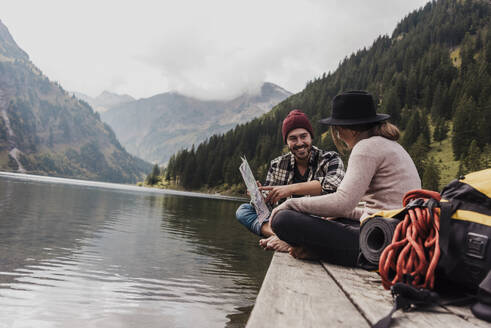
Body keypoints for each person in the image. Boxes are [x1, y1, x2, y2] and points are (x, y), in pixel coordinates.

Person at [269, 90, 421, 266]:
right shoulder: (389, 145)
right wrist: (337, 213)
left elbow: (343, 202)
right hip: (400, 233)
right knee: (334, 218)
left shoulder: (365, 148)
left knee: (283, 219)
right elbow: (374, 209)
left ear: (348, 129)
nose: (338, 135)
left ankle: (319, 251)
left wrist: (291, 204)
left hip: (382, 242)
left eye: (337, 129)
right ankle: (316, 249)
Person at [235, 109, 345, 250]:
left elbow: (334, 184)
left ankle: (290, 238)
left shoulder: (330, 158)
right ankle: (285, 237)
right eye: (293, 138)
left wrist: (289, 189)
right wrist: (258, 196)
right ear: (286, 142)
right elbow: (269, 204)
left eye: (303, 136)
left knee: (334, 219)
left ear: (311, 137)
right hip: (287, 221)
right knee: (243, 211)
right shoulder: (277, 164)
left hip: (318, 220)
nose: (299, 143)